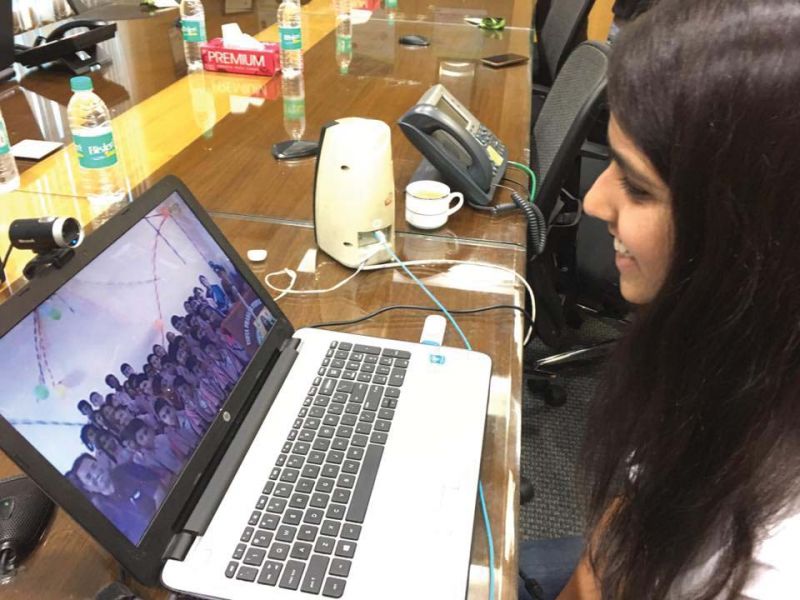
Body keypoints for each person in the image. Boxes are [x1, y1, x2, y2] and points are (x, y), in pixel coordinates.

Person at [519, 1, 800, 599]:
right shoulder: (732, 348)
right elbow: (632, 505)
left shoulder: (772, 563)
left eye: (639, 186)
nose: (593, 204)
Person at [70, 453, 165, 542]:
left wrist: (158, 529)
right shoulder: (102, 513)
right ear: (88, 488)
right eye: (88, 476)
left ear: (99, 463)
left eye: (94, 466)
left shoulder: (126, 470)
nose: (95, 474)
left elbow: (159, 492)